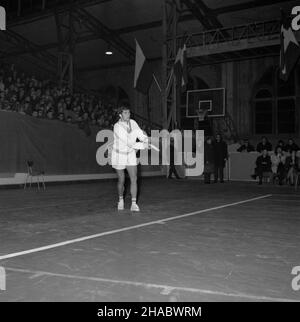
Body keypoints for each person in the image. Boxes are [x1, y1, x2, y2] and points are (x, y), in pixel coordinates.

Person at [111, 105, 149, 212]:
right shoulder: (117, 126)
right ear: (120, 115)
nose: (128, 114)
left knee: (134, 178)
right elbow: (128, 142)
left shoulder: (133, 122)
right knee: (121, 180)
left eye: (129, 112)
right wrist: (142, 146)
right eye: (125, 113)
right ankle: (121, 200)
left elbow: (139, 133)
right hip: (119, 155)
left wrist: (145, 140)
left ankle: (133, 204)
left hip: (130, 154)